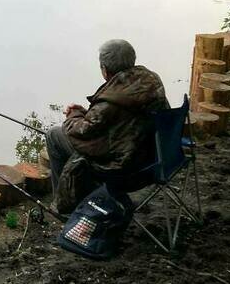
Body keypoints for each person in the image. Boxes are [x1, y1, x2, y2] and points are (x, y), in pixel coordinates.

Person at [45, 39, 168, 213]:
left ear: (105, 70)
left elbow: (82, 134)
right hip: (158, 159)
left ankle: (65, 207)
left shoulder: (110, 102)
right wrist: (87, 113)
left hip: (127, 171)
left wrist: (74, 114)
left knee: (54, 135)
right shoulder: (151, 80)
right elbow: (121, 121)